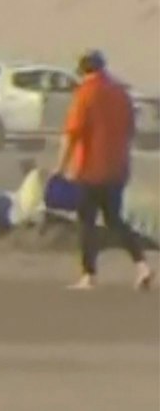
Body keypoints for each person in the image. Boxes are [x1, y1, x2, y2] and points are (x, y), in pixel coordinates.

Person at [57, 49, 152, 291]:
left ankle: (89, 275)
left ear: (84, 71)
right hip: (117, 169)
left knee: (87, 223)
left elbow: (72, 135)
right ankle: (142, 265)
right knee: (115, 220)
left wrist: (59, 169)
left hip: (88, 170)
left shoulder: (85, 94)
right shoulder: (121, 93)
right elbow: (131, 130)